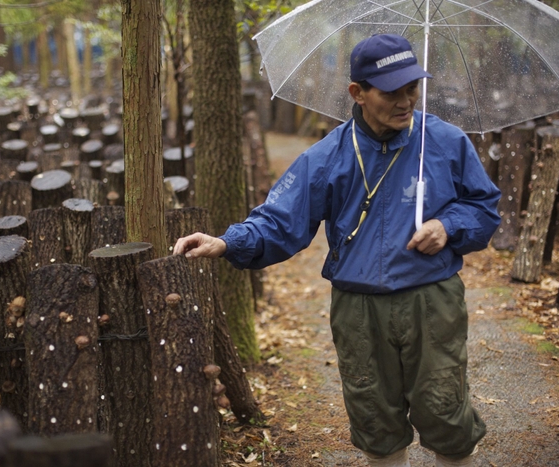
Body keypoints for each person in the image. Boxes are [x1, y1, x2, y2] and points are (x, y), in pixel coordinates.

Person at [173, 34, 501, 467]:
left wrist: (449, 225)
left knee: (445, 411)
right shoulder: (328, 155)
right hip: (358, 310)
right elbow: (280, 221)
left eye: (412, 89)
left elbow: (483, 207)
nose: (405, 101)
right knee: (375, 419)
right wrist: (227, 241)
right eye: (391, 92)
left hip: (432, 300)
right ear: (358, 93)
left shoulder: (444, 142)